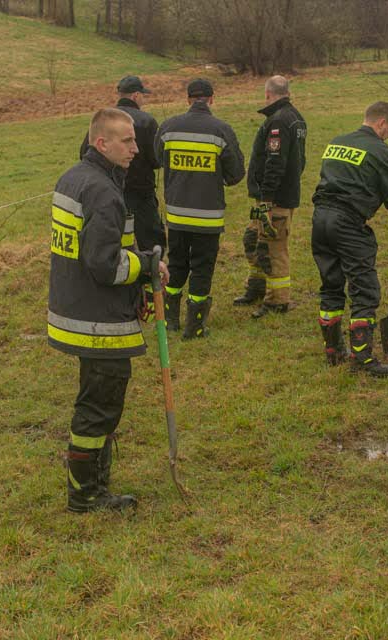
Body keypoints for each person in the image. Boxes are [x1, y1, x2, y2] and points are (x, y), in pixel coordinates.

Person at [50, 107, 169, 513]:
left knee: (95, 402)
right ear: (102, 142)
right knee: (99, 407)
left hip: (76, 309)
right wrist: (146, 266)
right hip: (97, 321)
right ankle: (86, 495)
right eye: (128, 141)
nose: (137, 149)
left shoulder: (75, 176)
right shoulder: (102, 191)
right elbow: (102, 264)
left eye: (135, 139)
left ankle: (93, 482)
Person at [309, 101, 388, 377]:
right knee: (364, 288)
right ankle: (364, 358)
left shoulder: (336, 142)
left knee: (331, 285)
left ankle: (332, 351)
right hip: (347, 224)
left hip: (319, 220)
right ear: (380, 123)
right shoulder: (383, 152)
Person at [154, 78, 246, 338]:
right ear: (212, 99)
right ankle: (194, 326)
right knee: (203, 268)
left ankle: (171, 320)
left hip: (177, 215)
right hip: (208, 217)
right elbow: (236, 173)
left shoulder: (168, 128)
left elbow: (158, 159)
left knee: (178, 263)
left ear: (188, 99)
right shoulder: (221, 130)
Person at [236, 75, 308, 318]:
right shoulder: (295, 118)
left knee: (272, 248)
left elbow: (275, 163)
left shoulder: (279, 121)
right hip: (265, 199)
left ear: (268, 94)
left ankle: (277, 300)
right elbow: (301, 162)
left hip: (273, 200)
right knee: (253, 239)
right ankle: (256, 286)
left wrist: (267, 198)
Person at [79, 75, 163, 251]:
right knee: (150, 238)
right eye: (143, 96)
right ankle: (151, 269)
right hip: (141, 192)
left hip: (109, 188)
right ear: (135, 96)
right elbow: (156, 160)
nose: (144, 100)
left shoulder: (104, 121)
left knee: (114, 235)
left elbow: (84, 152)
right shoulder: (147, 121)